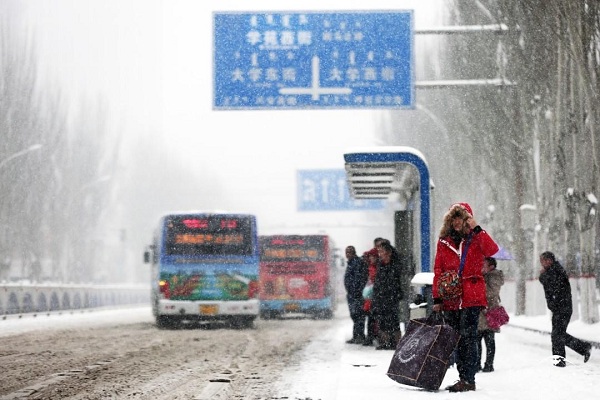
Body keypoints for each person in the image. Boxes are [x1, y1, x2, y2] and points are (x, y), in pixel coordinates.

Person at [432, 202, 499, 392]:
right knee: (457, 338)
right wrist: (437, 298)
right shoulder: (444, 241)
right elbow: (438, 269)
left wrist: (477, 228)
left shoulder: (476, 238)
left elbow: (492, 250)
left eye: (461, 217)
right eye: (454, 218)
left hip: (472, 296)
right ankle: (464, 377)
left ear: (467, 219)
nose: (456, 222)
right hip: (451, 297)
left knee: (468, 337)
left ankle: (468, 379)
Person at [538, 251, 592, 367]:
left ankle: (560, 361)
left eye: (543, 260)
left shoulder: (556, 270)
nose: (541, 263)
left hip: (563, 307)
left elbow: (553, 286)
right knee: (558, 334)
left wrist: (543, 276)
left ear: (550, 260)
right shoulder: (552, 271)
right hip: (559, 308)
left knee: (557, 335)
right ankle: (582, 348)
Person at [372, 241, 403, 350]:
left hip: (391, 297)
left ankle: (395, 341)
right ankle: (385, 342)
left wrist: (389, 293)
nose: (379, 254)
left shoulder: (394, 265)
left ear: (388, 252)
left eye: (381, 251)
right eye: (379, 251)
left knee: (393, 320)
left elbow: (393, 283)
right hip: (381, 298)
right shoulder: (381, 265)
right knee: (383, 320)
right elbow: (378, 282)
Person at [477, 257, 504, 372]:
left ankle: (489, 364)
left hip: (489, 311)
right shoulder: (485, 277)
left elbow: (491, 293)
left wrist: (479, 283)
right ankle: (477, 363)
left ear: (491, 267)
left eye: (484, 265)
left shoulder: (494, 277)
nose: (481, 268)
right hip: (481, 312)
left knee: (489, 339)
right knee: (477, 339)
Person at [344, 245, 368, 344]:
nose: (347, 254)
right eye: (346, 252)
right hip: (352, 294)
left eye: (349, 252)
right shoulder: (351, 263)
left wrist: (356, 291)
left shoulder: (356, 263)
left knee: (358, 315)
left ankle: (359, 336)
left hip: (356, 295)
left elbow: (359, 279)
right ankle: (357, 335)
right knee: (355, 316)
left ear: (353, 252)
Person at [362, 248, 379, 346]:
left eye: (371, 257)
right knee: (371, 318)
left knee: (372, 319)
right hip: (371, 297)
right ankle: (371, 336)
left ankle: (371, 337)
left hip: (373, 297)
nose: (370, 258)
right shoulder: (371, 267)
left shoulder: (374, 268)